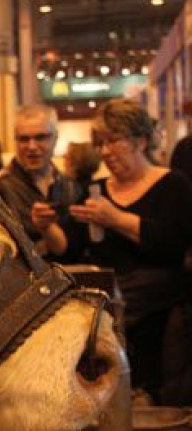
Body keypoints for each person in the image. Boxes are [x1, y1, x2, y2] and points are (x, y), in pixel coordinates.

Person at [31, 98, 192, 403]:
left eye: (113, 142)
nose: (105, 152)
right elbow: (68, 246)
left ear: (141, 141)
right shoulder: (97, 189)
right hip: (108, 300)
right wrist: (46, 227)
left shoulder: (173, 184)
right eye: (100, 143)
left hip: (159, 309)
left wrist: (115, 219)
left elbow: (173, 241)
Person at [0, 104, 82, 253]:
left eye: (41, 137)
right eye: (24, 139)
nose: (32, 146)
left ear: (55, 139)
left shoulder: (71, 186)